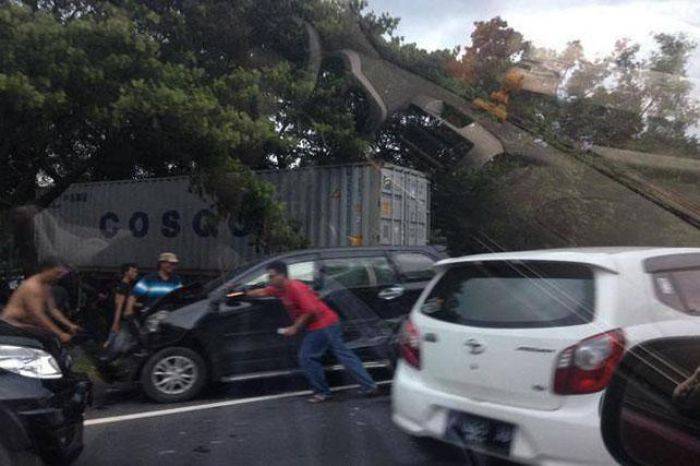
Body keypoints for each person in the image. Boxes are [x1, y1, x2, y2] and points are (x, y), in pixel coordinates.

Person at [246, 261, 377, 403]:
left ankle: (322, 392)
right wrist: (243, 293)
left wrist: (294, 328)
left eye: (272, 276)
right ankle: (369, 386)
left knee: (307, 357)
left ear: (282, 275)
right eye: (268, 277)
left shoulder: (296, 287)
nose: (269, 280)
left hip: (323, 325)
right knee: (343, 354)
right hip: (328, 323)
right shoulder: (280, 288)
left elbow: (310, 310)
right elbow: (263, 292)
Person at [0, 257, 81, 344]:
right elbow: (38, 316)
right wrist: (60, 334)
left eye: (61, 274)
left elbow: (53, 310)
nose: (59, 276)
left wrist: (69, 325)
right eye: (57, 273)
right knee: (49, 338)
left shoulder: (46, 286)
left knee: (51, 337)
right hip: (11, 325)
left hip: (25, 325)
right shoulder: (33, 287)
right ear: (46, 270)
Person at [124, 253, 182, 317]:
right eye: (170, 263)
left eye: (174, 264)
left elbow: (180, 297)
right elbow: (133, 296)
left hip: (169, 316)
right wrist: (128, 310)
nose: (172, 266)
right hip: (150, 315)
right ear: (161, 264)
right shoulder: (149, 279)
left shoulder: (176, 280)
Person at [104, 263, 139, 348]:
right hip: (121, 317)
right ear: (126, 273)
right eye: (133, 271)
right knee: (113, 338)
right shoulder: (123, 286)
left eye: (136, 272)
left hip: (122, 316)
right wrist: (116, 322)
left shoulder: (126, 285)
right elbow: (119, 305)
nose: (135, 274)